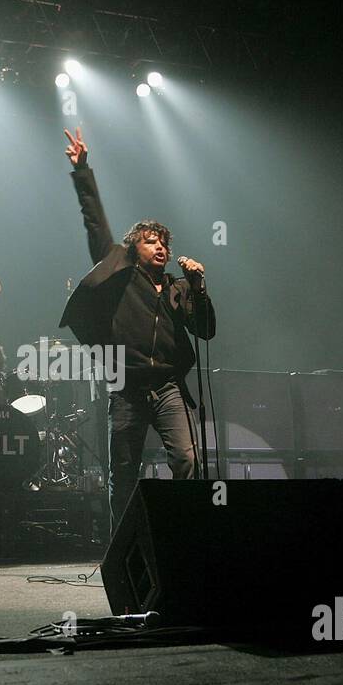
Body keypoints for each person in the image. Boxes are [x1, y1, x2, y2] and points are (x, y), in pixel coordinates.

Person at [58, 127, 216, 529]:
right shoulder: (121, 276)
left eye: (163, 242)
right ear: (134, 248)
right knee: (124, 471)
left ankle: (180, 534)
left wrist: (199, 287)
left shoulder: (180, 288)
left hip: (166, 387)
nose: (160, 247)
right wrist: (83, 171)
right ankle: (124, 543)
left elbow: (207, 331)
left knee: (186, 459)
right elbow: (95, 223)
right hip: (127, 387)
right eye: (150, 241)